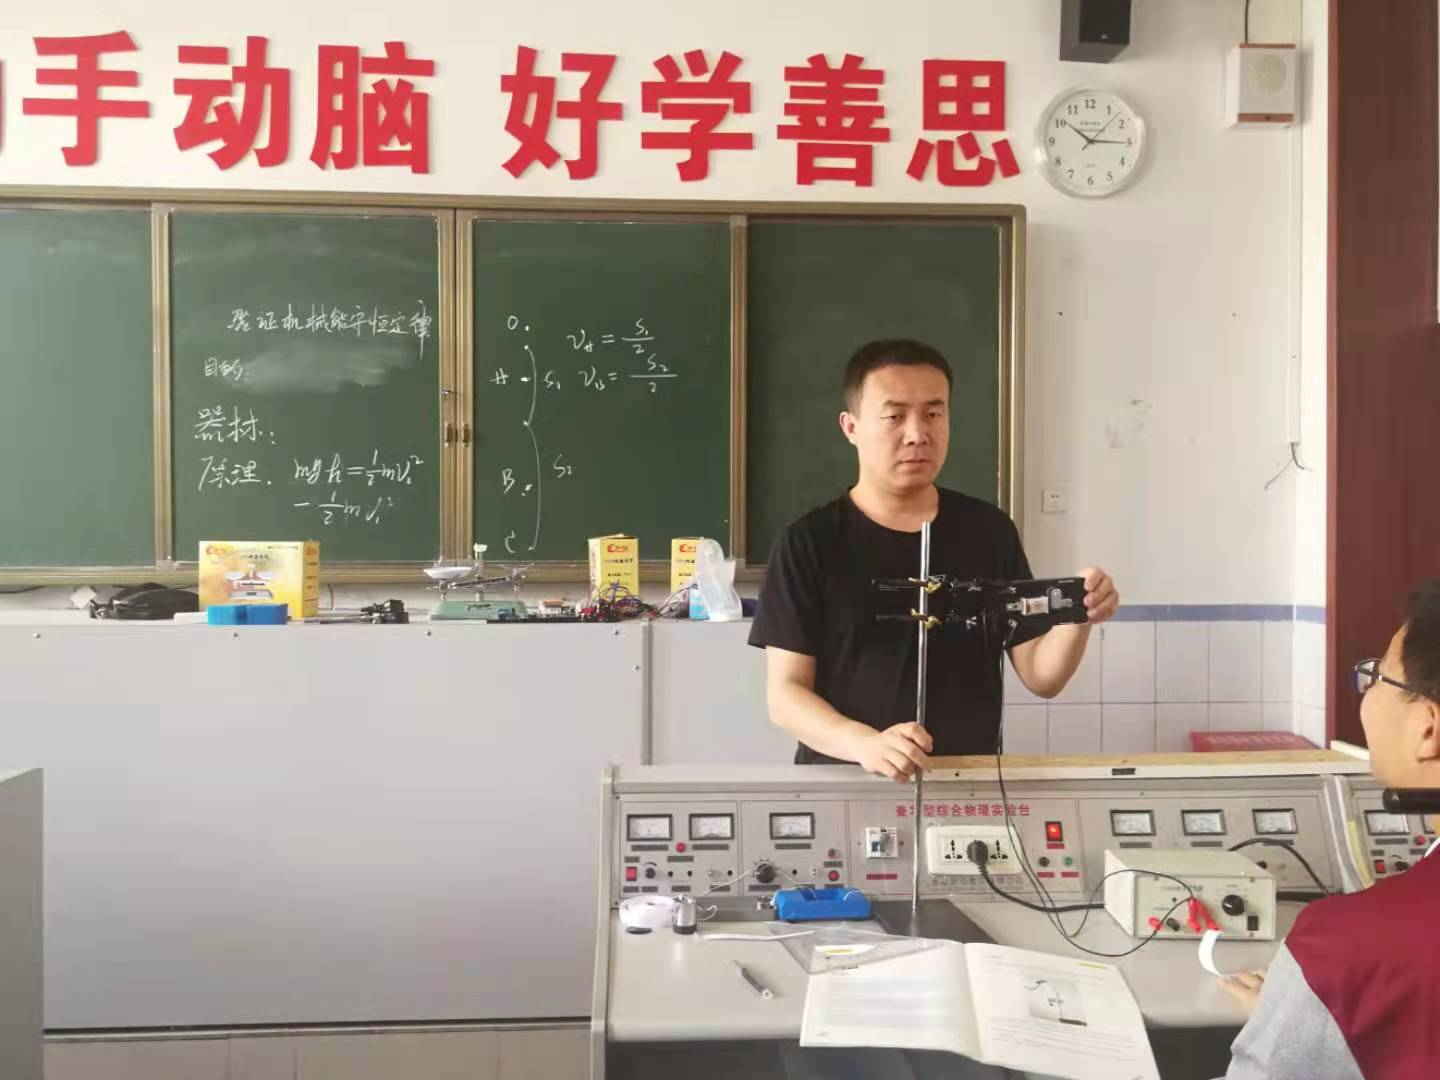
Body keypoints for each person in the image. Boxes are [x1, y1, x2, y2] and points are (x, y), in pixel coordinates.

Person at [749, 339, 1118, 779]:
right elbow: (786, 695)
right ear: (851, 427)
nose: (917, 434)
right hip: (847, 781)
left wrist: (1078, 615)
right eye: (894, 416)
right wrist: (864, 743)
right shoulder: (808, 543)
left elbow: (1042, 676)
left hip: (968, 784)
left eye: (933, 414)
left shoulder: (988, 531)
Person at [1219, 578, 1440, 1079]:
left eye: (1378, 678)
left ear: (1428, 727)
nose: (1368, 695)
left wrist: (1295, 1024)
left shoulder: (1346, 949)